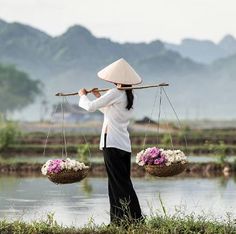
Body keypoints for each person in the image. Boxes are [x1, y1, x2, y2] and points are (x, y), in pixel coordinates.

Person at [78, 58, 143, 225]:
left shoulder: (115, 93)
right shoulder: (130, 96)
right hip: (123, 145)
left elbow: (90, 107)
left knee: (116, 183)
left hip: (112, 143)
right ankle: (123, 219)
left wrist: (83, 96)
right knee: (122, 182)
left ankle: (129, 219)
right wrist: (99, 96)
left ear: (117, 80)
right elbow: (109, 112)